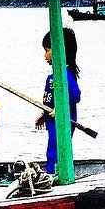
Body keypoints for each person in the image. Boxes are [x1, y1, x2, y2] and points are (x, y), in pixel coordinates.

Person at [35, 27, 81, 175]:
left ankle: (55, 173)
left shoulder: (65, 74)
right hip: (51, 120)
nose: (45, 55)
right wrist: (44, 112)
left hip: (62, 121)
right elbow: (51, 98)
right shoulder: (54, 74)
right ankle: (53, 171)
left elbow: (75, 95)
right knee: (52, 147)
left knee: (57, 148)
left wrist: (61, 108)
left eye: (47, 50)